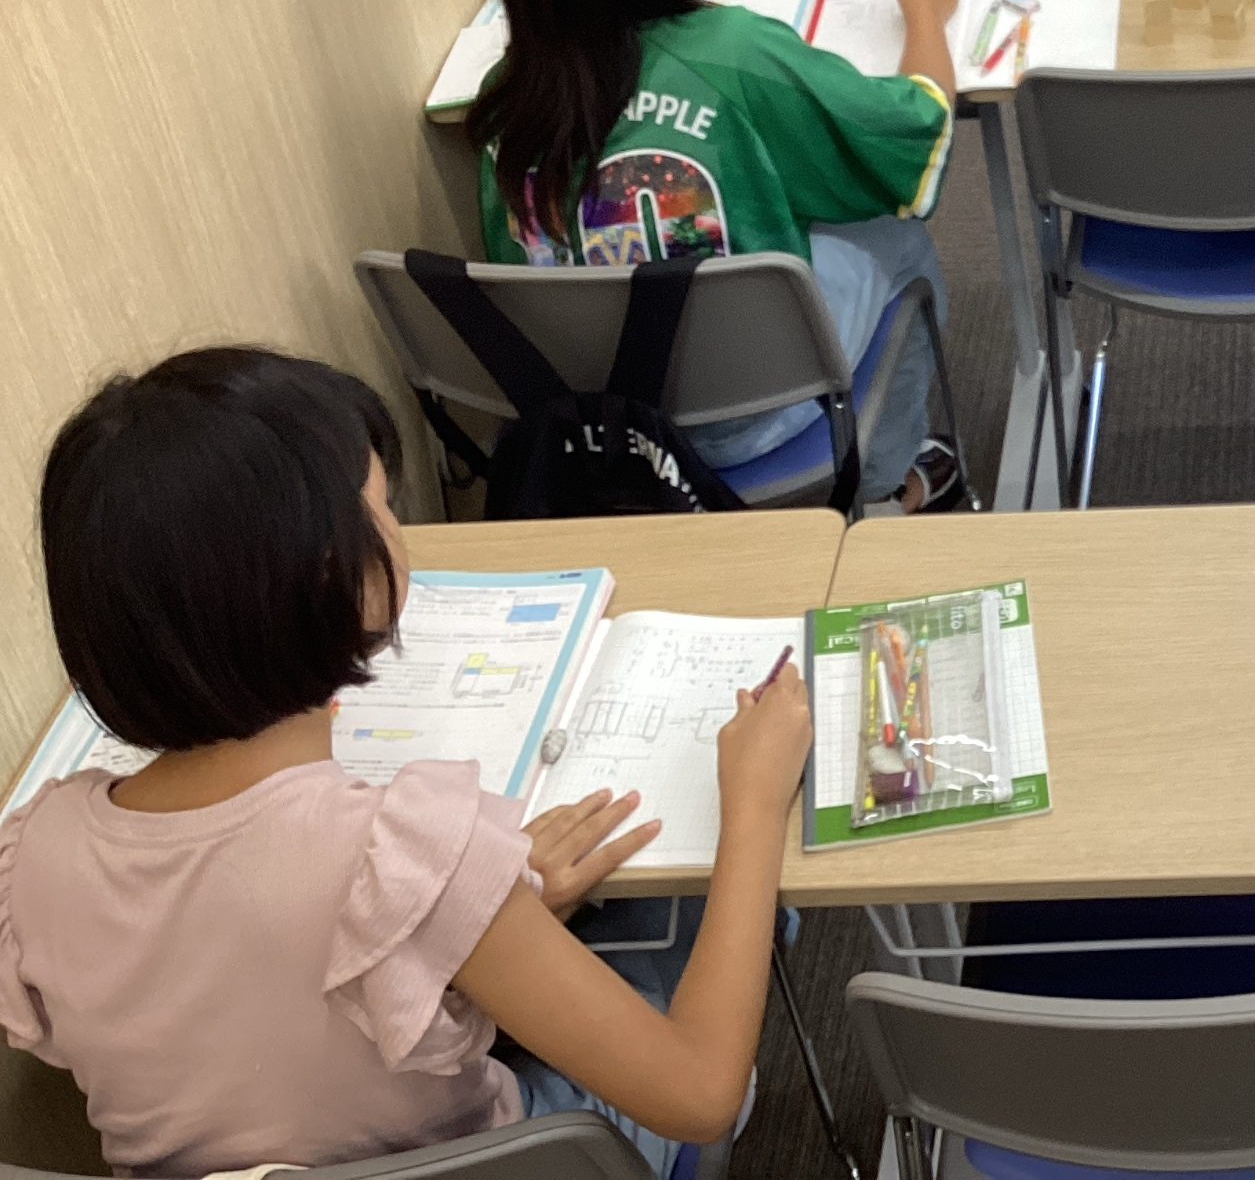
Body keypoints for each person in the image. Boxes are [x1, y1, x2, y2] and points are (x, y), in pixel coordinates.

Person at [0, 348, 814, 1177]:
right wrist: (752, 806)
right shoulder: (398, 852)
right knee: (690, 913)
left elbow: (253, 1004)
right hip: (506, 1162)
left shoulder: (33, 855)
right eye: (383, 509)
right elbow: (697, 1091)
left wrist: (465, 908)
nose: (400, 532)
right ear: (332, 575)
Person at [468, 0, 963, 511]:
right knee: (899, 232)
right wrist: (925, 12)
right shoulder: (735, 53)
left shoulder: (503, 98)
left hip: (593, 420)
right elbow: (914, 142)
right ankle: (886, 484)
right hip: (752, 412)